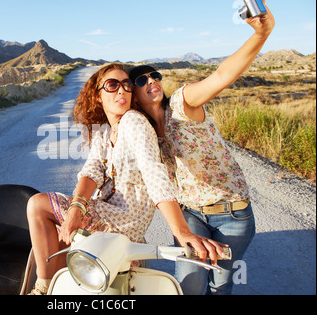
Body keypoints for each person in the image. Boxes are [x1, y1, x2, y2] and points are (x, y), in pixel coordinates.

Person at [26, 63, 225, 295]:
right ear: (98, 95)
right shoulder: (102, 133)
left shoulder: (134, 122)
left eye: (126, 85)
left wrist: (181, 231)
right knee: (62, 231)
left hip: (124, 222)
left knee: (38, 204)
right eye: (112, 85)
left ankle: (42, 289)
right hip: (106, 213)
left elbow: (153, 172)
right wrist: (75, 210)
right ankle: (56, 290)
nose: (121, 90)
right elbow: (90, 172)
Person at [129, 0, 275, 295]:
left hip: (232, 215)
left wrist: (260, 34)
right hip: (190, 214)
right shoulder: (141, 129)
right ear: (134, 94)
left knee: (220, 286)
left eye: (155, 75)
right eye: (141, 80)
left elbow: (222, 75)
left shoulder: (183, 104)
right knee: (190, 284)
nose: (151, 81)